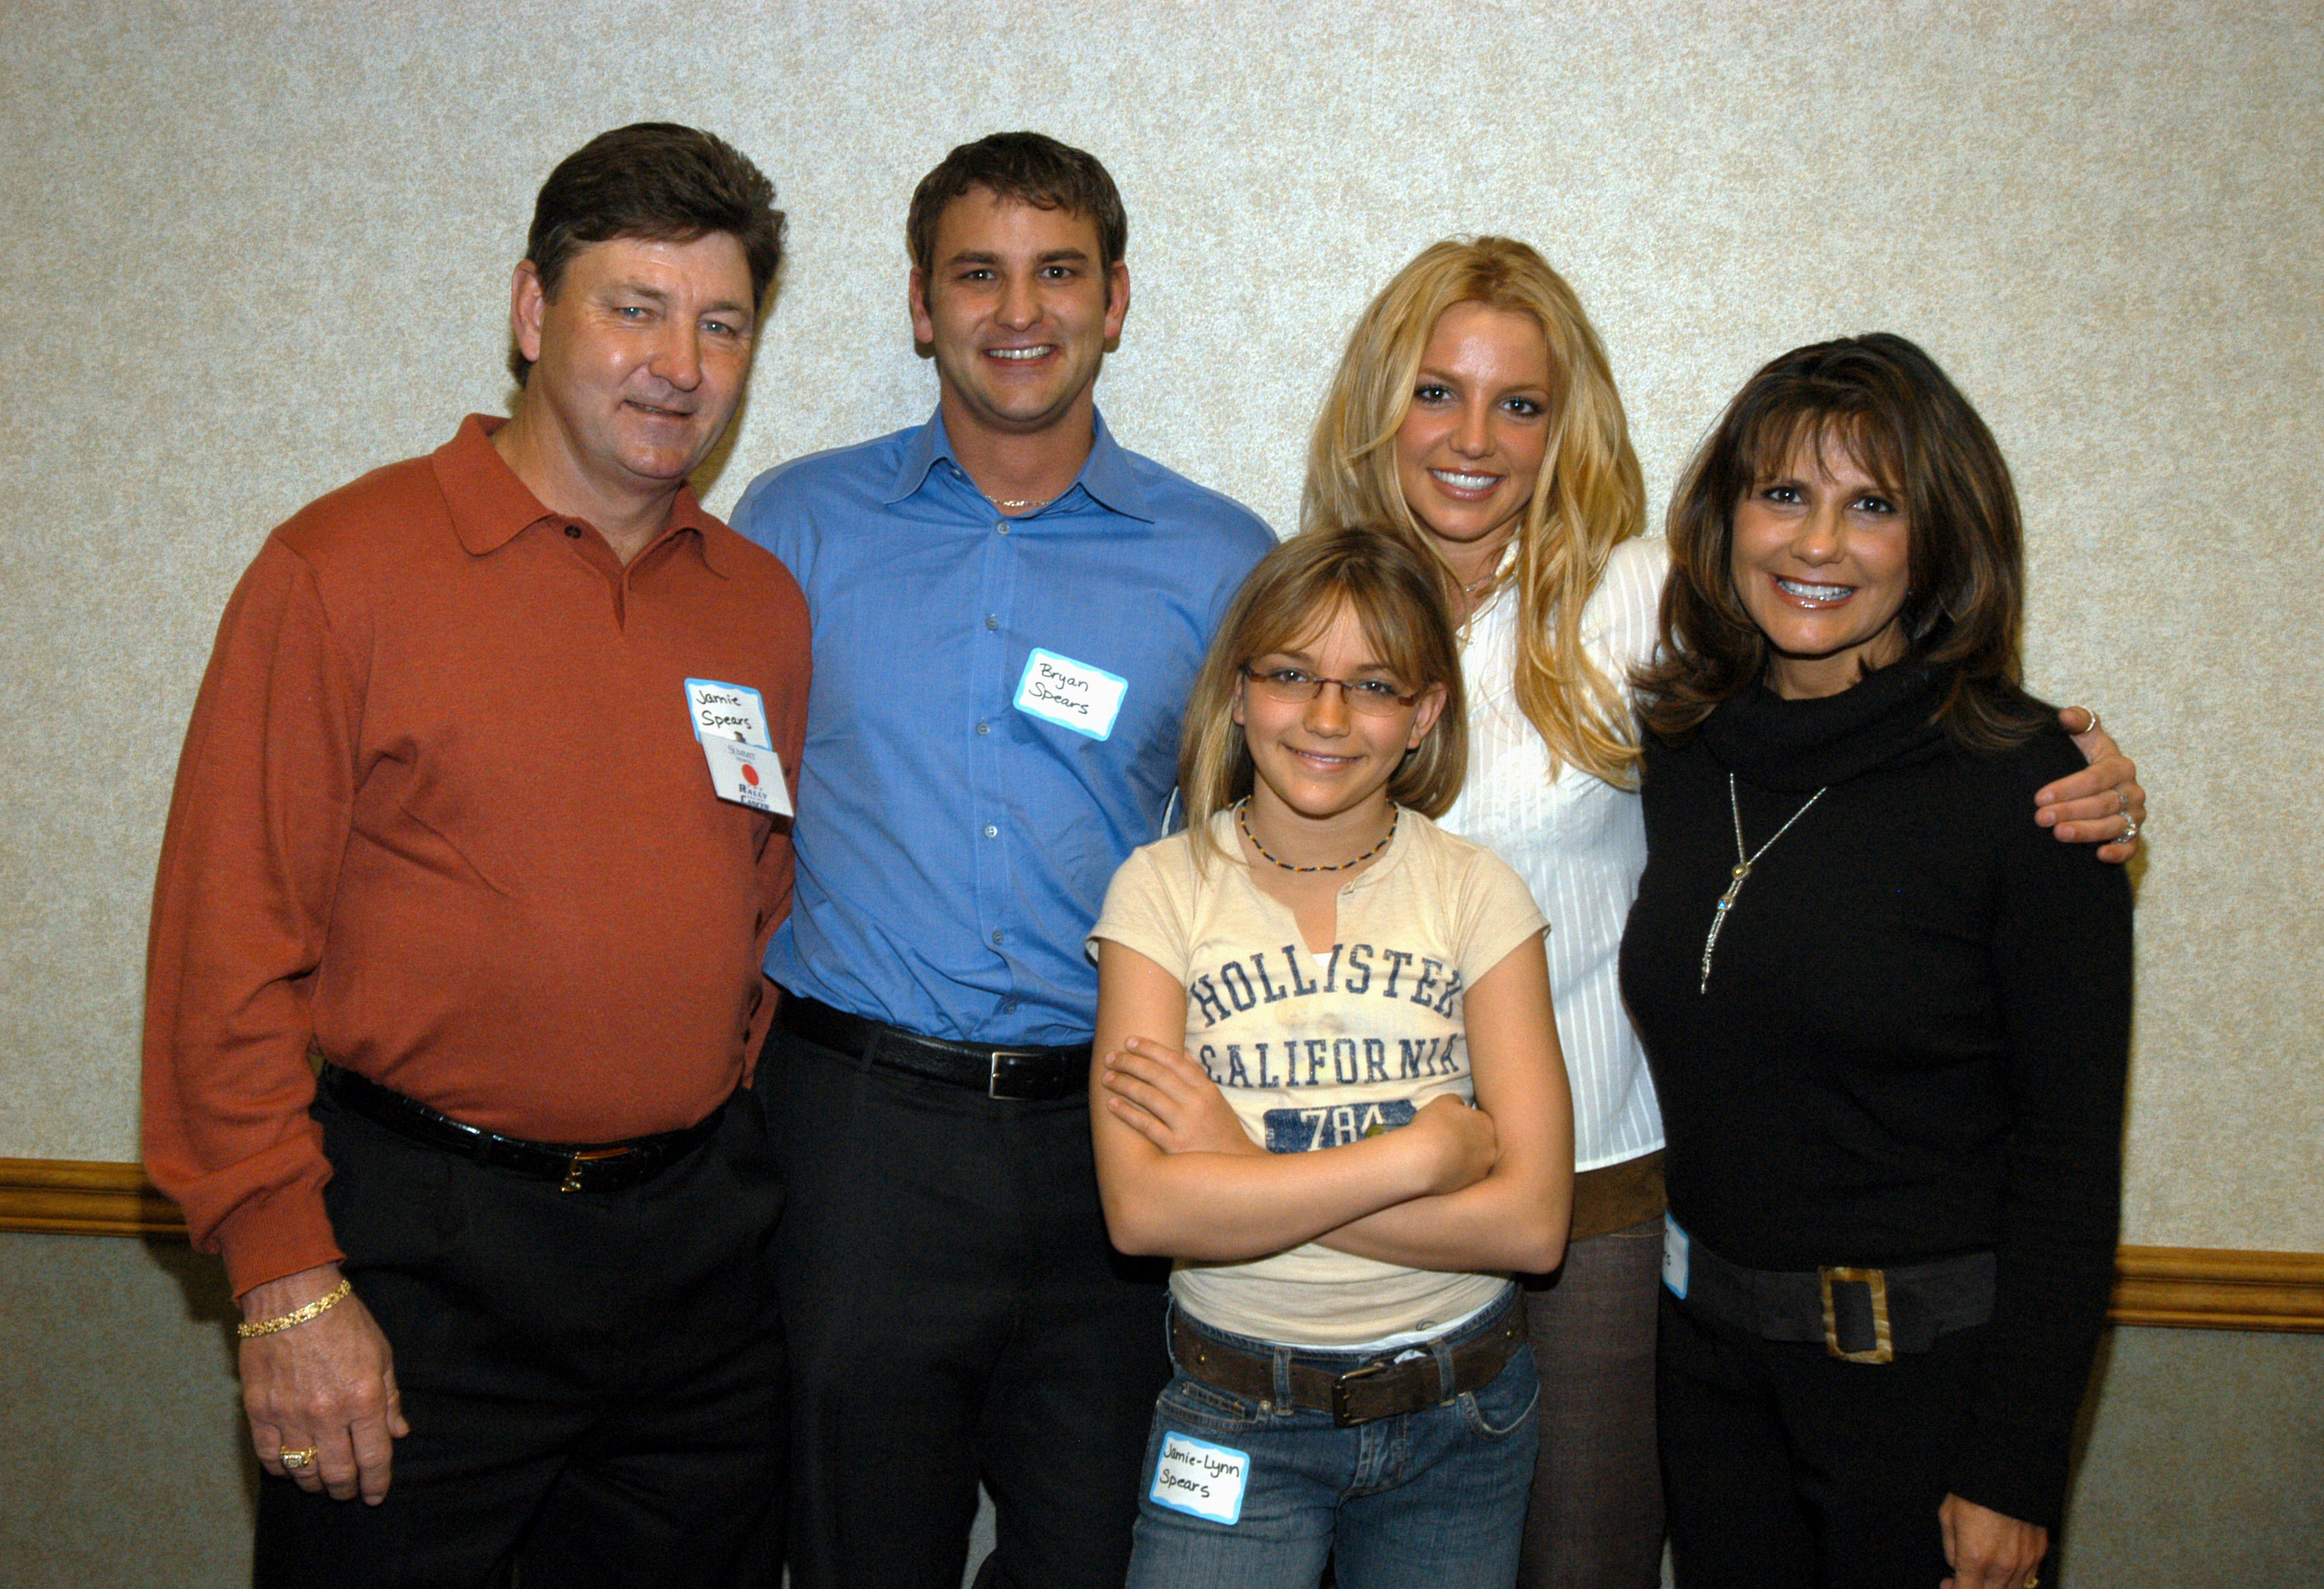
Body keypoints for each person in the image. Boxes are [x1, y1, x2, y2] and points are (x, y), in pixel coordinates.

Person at [1301, 239, 2147, 1588]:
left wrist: (2076, 768)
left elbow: (1887, 698)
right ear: (1376, 406)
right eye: (1435, 392)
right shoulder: (1303, 617)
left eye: (1520, 403)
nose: (1473, 439)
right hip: (1359, 1181)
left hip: (1610, 1200)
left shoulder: (1644, 607)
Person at [141, 123, 806, 1586]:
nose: (679, 364)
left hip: (696, 1274)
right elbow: (225, 942)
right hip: (419, 1261)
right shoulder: (341, 568)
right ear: (530, 310)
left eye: (721, 324)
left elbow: (757, 902)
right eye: (634, 308)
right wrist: (285, 1282)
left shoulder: (758, 605)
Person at [729, 131, 1276, 1589]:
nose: (1018, 311)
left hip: (1113, 1139)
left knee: (1100, 1557)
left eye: (1058, 273)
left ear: (1116, 300)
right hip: (858, 1138)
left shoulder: (1221, 560)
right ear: (922, 305)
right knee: (854, 1550)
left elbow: (1264, 854)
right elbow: (718, 820)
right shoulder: (793, 526)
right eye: (978, 274)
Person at [1620, 332, 2132, 1589]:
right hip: (1710, 1380)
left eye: (1872, 506)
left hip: (1926, 1398)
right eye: (1784, 493)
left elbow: (2068, 1163)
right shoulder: (1682, 748)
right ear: (1728, 515)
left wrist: (2015, 1467)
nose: (1817, 545)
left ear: (1939, 536)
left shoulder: (2029, 787)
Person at [1088, 525, 1575, 1589]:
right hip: (1234, 1412)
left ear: (1424, 715)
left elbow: (1532, 1227)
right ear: (1239, 692)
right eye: (1291, 675)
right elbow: (1145, 1212)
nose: (1325, 717)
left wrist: (1241, 1167)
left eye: (1373, 686)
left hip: (1461, 1416)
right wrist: (1416, 1159)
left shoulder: (1477, 893)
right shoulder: (1159, 892)